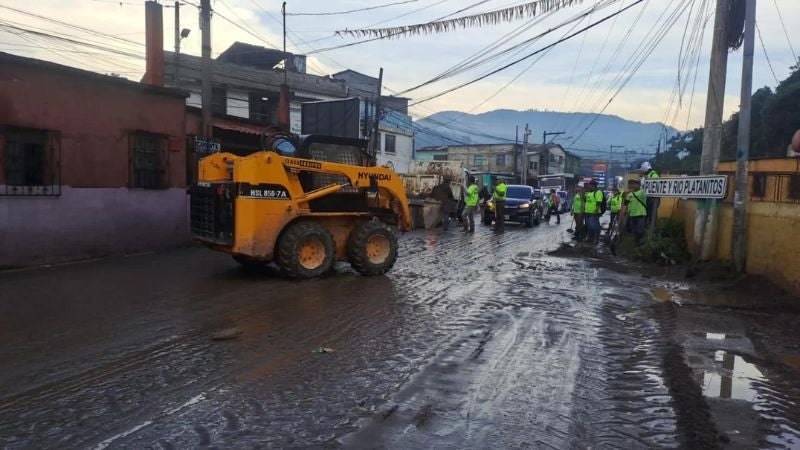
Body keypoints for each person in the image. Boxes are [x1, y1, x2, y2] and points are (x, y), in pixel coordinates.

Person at [624, 178, 648, 243]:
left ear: (639, 185)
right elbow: (625, 204)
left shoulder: (642, 192)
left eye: (634, 184)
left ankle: (641, 244)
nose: (632, 185)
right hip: (632, 215)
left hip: (641, 214)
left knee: (640, 231)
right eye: (631, 184)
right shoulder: (629, 195)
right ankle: (637, 245)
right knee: (634, 232)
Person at [640, 161, 660, 226]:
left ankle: (652, 230)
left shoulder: (653, 175)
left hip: (653, 199)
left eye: (643, 170)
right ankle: (648, 230)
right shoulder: (648, 175)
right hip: (649, 198)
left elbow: (655, 187)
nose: (643, 172)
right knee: (647, 215)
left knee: (652, 216)